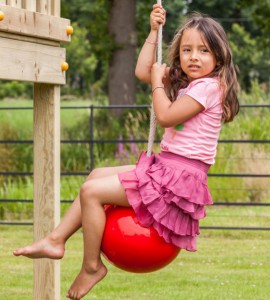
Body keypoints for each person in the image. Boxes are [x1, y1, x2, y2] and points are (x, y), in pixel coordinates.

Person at [13, 4, 239, 300]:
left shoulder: (208, 87)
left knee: (92, 192)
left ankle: (92, 266)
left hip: (178, 177)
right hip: (166, 167)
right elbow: (143, 70)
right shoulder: (190, 84)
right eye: (187, 50)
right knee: (95, 176)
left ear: (219, 56)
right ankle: (56, 239)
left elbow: (167, 116)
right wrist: (153, 31)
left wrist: (159, 83)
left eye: (204, 51)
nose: (194, 57)